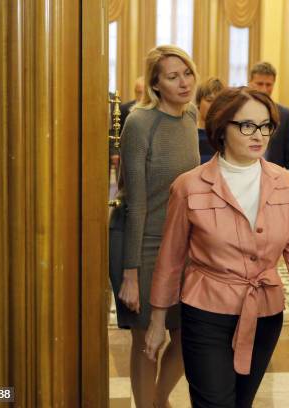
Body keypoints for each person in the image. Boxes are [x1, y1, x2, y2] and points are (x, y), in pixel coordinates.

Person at [144, 87, 289, 408]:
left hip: (265, 313)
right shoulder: (189, 186)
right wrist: (157, 322)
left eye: (266, 126)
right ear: (222, 128)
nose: (259, 135)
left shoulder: (286, 183)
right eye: (247, 126)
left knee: (241, 403)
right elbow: (170, 259)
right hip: (206, 312)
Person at [112, 45, 199, 408]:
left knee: (185, 332)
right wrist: (130, 274)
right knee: (147, 338)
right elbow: (136, 203)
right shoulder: (139, 122)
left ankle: (160, 399)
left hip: (182, 245)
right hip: (142, 242)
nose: (183, 82)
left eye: (187, 73)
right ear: (156, 84)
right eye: (172, 76)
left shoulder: (191, 117)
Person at [248, 62, 289, 186]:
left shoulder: (284, 114)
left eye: (268, 85)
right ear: (250, 82)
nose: (264, 89)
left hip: (274, 182)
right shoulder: (239, 112)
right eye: (259, 84)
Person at [195, 77, 224, 163]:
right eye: (209, 100)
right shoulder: (189, 134)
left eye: (219, 102)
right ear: (198, 103)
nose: (214, 106)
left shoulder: (226, 137)